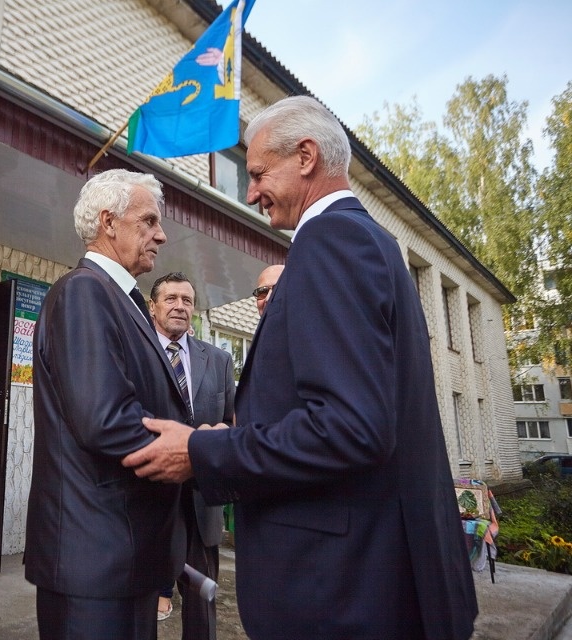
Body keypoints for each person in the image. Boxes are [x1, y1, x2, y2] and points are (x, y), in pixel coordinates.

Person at [123, 96, 478, 640]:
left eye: (259, 172)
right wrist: (245, 435)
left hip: (342, 592)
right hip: (371, 580)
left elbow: (351, 428)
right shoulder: (369, 242)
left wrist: (202, 451)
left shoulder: (331, 242)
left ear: (306, 156)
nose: (250, 191)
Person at [24, 169, 190, 640]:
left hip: (124, 557)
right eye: (149, 220)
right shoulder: (84, 291)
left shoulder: (122, 299)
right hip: (95, 561)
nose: (162, 234)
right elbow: (105, 421)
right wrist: (197, 450)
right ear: (108, 222)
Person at [149, 272, 234, 639]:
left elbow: (232, 424)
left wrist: (214, 440)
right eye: (170, 299)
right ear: (153, 307)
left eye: (186, 300)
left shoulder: (218, 360)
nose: (179, 306)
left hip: (201, 498)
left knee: (202, 600)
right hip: (147, 495)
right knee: (139, 596)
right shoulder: (136, 352)